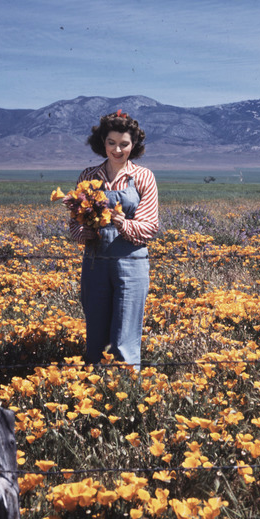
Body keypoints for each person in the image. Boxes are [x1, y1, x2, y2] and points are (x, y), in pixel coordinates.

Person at [68, 110, 159, 368]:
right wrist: (82, 232)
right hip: (95, 263)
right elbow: (74, 222)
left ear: (134, 145)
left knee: (125, 336)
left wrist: (121, 223)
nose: (117, 150)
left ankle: (125, 388)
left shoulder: (143, 177)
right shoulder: (88, 176)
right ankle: (95, 386)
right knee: (96, 333)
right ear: (102, 142)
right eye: (111, 143)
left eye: (124, 144)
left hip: (131, 264)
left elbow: (149, 227)